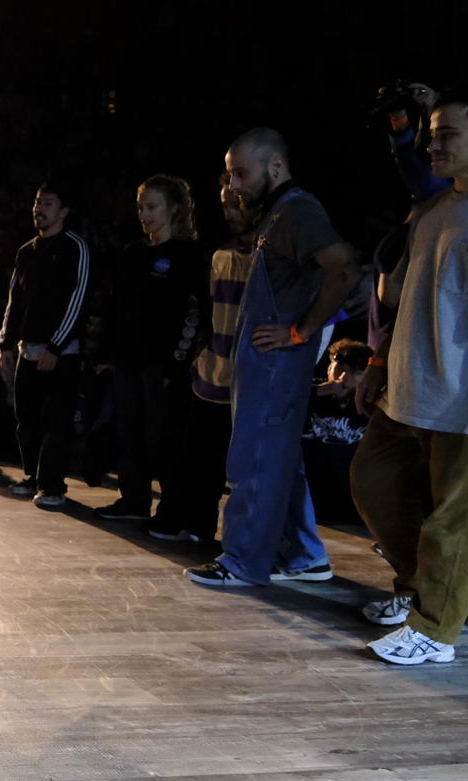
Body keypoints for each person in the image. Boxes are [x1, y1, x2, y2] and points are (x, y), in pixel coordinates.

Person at [186, 129, 361, 587]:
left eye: (241, 173)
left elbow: (344, 269)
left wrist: (300, 331)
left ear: (276, 165)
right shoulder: (277, 213)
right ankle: (305, 555)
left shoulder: (297, 211)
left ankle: (242, 562)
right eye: (230, 175)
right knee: (279, 458)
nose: (234, 185)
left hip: (276, 363)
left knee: (255, 458)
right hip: (266, 362)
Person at [352, 89, 468, 664]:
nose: (432, 144)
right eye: (432, 132)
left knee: (453, 520)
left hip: (459, 398)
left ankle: (436, 631)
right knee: (372, 482)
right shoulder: (436, 207)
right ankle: (427, 590)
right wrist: (377, 363)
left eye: (447, 134)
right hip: (408, 384)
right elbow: (406, 299)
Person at [92, 175, 210, 524]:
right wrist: (106, 355)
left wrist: (178, 363)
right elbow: (117, 308)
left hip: (163, 364)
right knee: (128, 433)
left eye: (151, 207)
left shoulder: (188, 254)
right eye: (140, 207)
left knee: (162, 438)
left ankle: (172, 511)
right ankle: (134, 501)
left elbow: (195, 312)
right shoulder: (132, 253)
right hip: (127, 360)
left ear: (172, 209)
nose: (144, 214)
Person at [154, 177, 258, 544]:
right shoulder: (220, 256)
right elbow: (205, 312)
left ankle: (240, 541)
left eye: (236, 204)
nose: (230, 213)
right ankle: (198, 525)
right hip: (211, 375)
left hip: (249, 381)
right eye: (225, 205)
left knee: (240, 465)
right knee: (200, 458)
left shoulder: (269, 259)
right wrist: (199, 358)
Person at [0, 183, 90, 508]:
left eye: (48, 203)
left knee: (56, 420)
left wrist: (56, 345)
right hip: (29, 348)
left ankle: (52, 485)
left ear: (63, 211)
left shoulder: (74, 247)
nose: (39, 208)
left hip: (61, 353)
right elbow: (15, 299)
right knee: (27, 417)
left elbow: (78, 300)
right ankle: (33, 476)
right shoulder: (26, 251)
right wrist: (6, 342)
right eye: (38, 202)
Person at [301, 339, 372, 523]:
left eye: (354, 373)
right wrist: (319, 392)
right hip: (307, 489)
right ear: (329, 368)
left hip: (347, 496)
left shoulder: (370, 405)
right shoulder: (306, 390)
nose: (343, 378)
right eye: (339, 369)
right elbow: (282, 401)